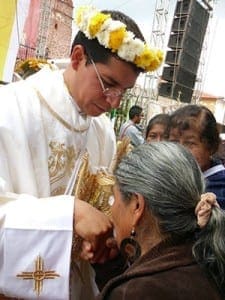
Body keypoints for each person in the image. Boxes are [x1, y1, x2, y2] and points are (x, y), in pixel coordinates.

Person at [0, 5, 163, 300]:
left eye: (124, 92)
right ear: (77, 57)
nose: (114, 102)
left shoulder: (102, 132)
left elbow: (103, 207)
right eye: (108, 84)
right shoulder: (10, 110)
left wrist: (99, 243)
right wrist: (69, 213)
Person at [97, 142, 225, 299]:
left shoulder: (135, 292)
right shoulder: (205, 257)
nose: (112, 209)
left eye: (114, 198)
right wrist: (111, 266)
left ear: (137, 205)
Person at [168, 104, 225, 209]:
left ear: (211, 146)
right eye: (174, 141)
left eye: (190, 143)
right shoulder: (171, 176)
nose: (180, 150)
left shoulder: (219, 189)